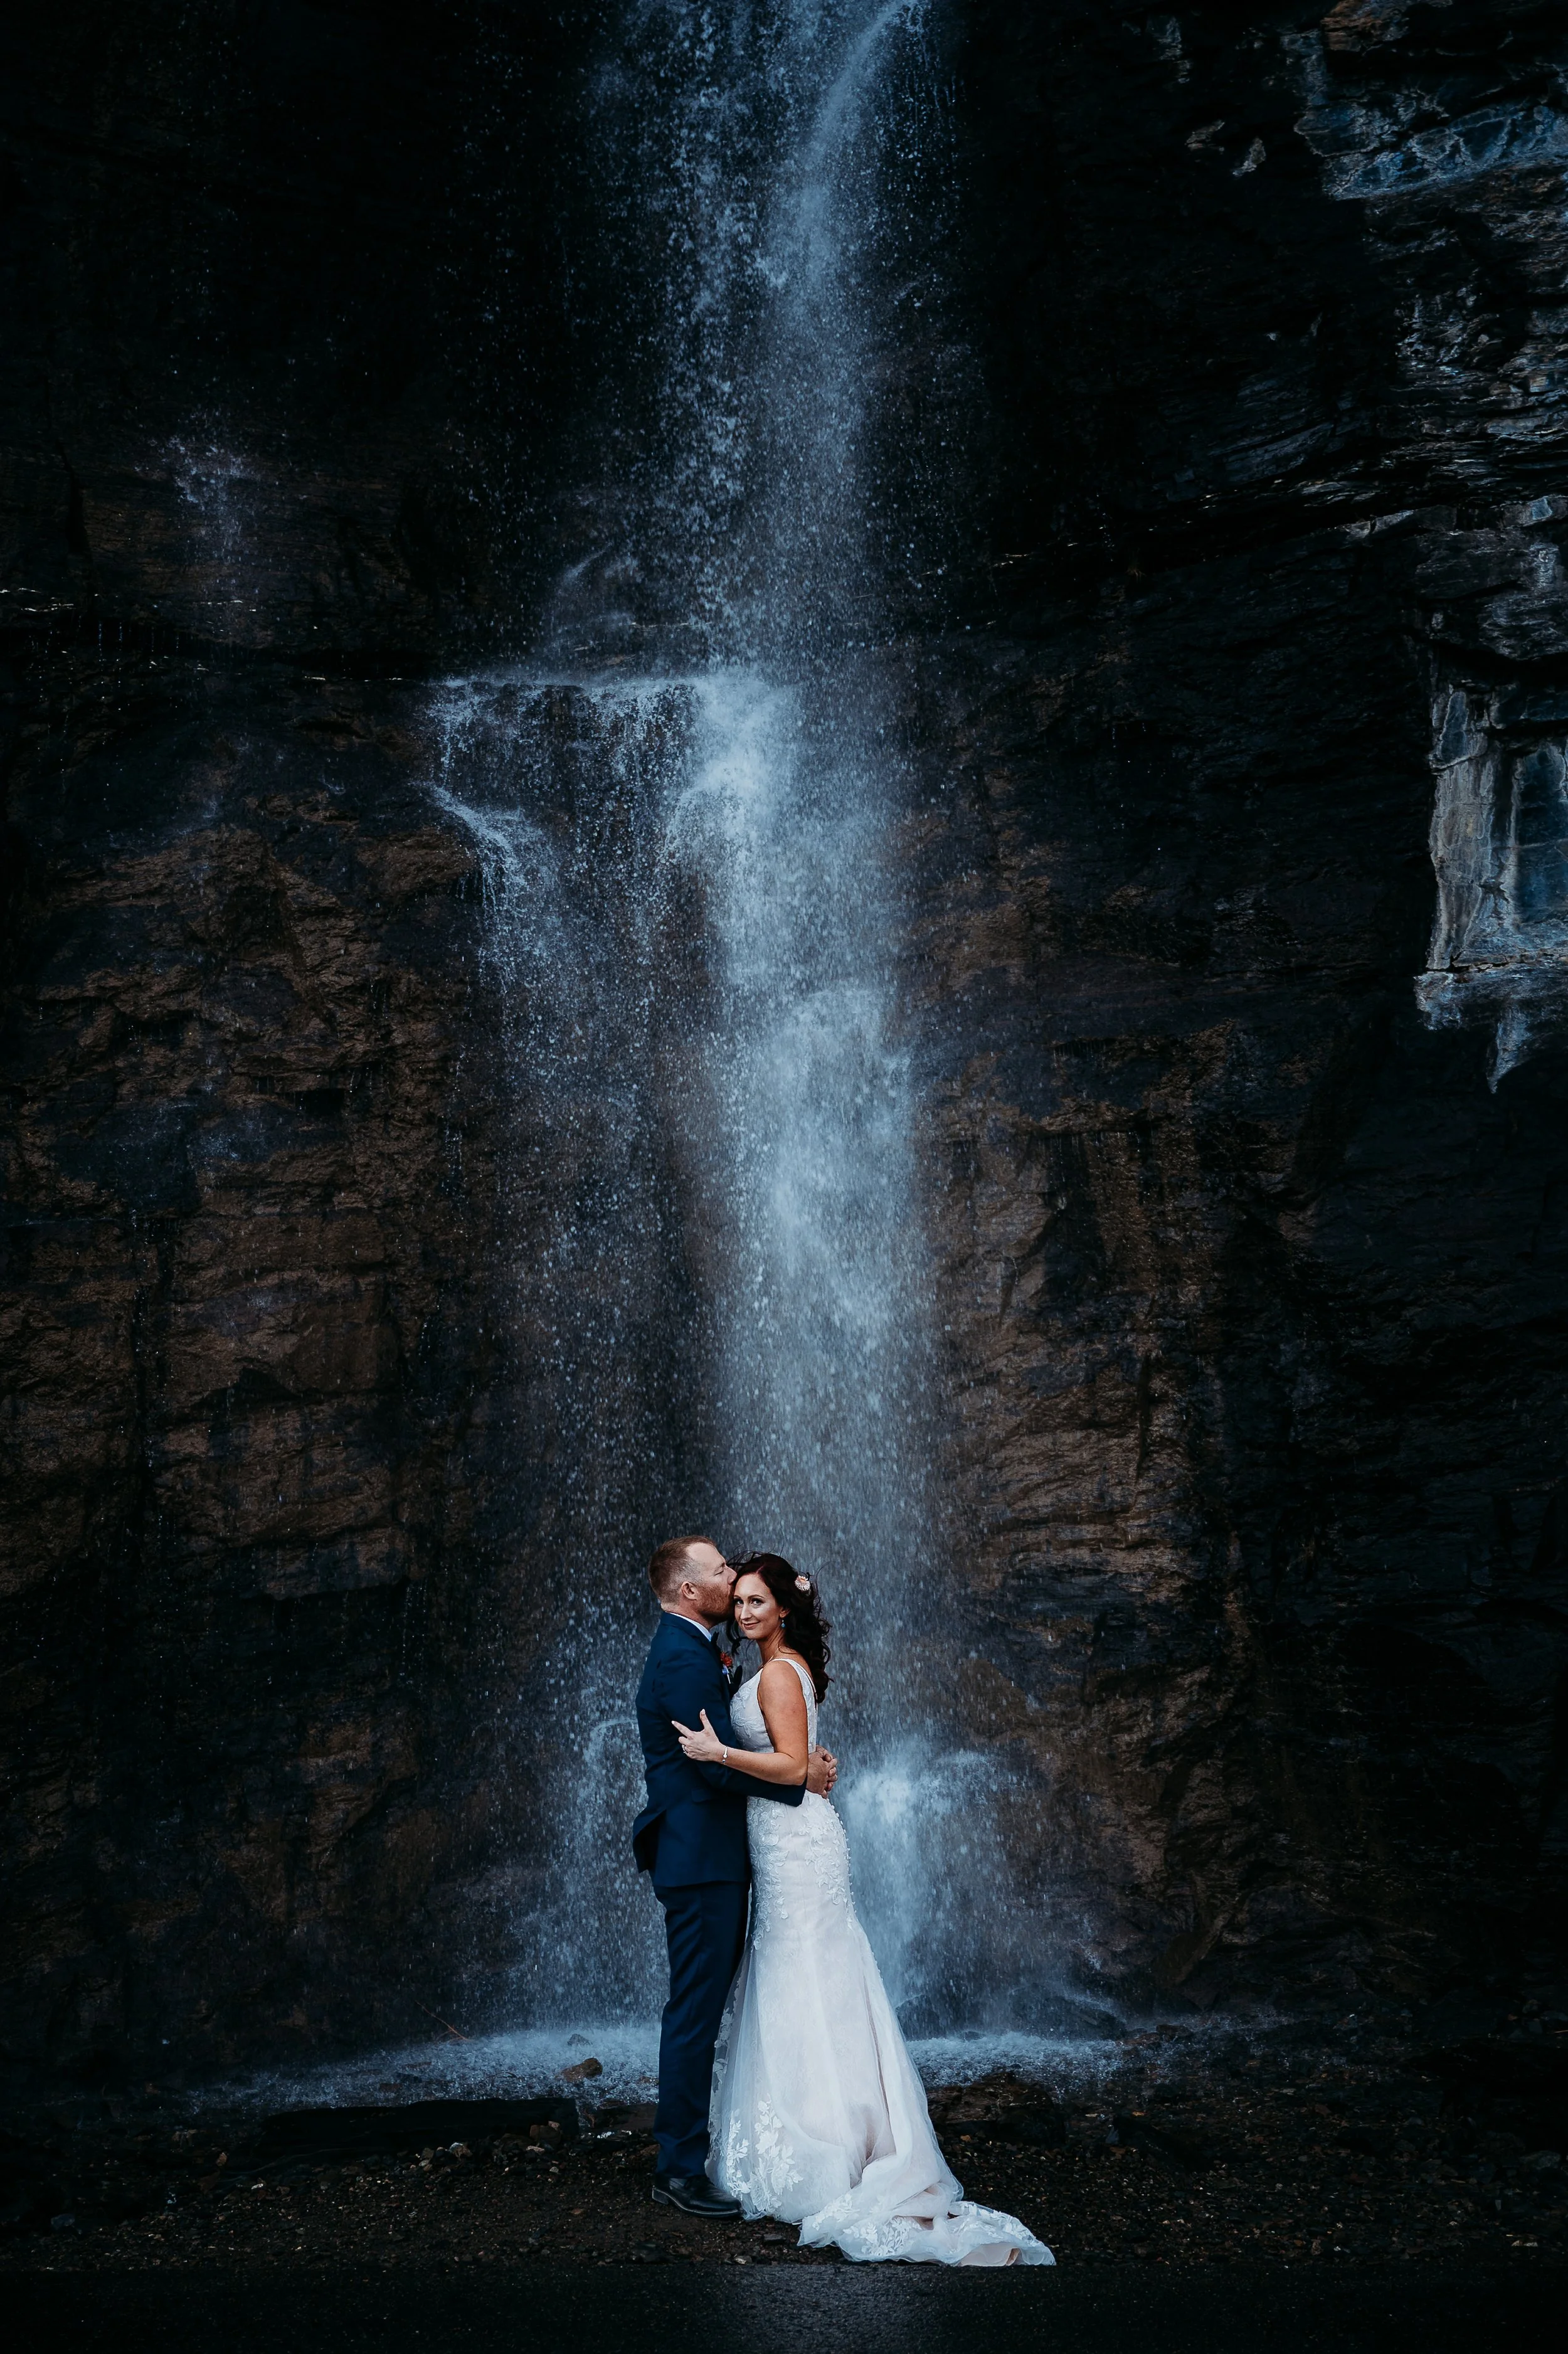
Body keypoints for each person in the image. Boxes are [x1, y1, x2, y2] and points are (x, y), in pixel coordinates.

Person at [675, 1554, 1053, 2266]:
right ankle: (822, 2133)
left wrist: (717, 1752)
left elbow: (790, 1767)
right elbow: (801, 1763)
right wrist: (799, 1764)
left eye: (759, 1602)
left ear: (784, 1609)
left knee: (814, 1981)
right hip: (784, 1843)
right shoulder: (772, 1668)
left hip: (798, 1845)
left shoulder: (781, 1672)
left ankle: (835, 2148)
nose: (747, 1612)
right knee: (801, 1983)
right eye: (742, 1602)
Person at [632, 1535, 838, 2219]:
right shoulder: (683, 1660)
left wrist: (796, 1763)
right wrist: (800, 1775)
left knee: (707, 2007)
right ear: (692, 1591)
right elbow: (713, 1767)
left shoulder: (696, 1650)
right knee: (695, 2013)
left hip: (719, 1857)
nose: (731, 1578)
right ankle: (679, 2168)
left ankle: (713, 2148)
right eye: (722, 1572)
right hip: (701, 1862)